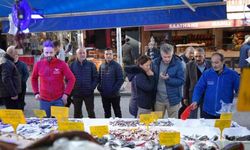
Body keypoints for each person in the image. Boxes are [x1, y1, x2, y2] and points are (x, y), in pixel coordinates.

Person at [31, 40, 76, 117]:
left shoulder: (62, 64)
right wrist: (36, 92)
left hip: (59, 99)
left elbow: (72, 79)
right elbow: (33, 78)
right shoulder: (39, 64)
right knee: (45, 123)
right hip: (44, 100)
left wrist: (66, 94)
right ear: (43, 52)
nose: (49, 55)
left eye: (51, 52)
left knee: (60, 122)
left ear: (55, 52)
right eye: (46, 53)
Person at [190, 53, 240, 119]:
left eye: (216, 63)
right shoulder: (207, 73)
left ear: (223, 62)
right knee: (207, 129)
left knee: (224, 130)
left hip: (224, 112)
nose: (214, 65)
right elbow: (199, 88)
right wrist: (195, 100)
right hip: (207, 112)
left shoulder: (232, 74)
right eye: (212, 63)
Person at [152, 43, 185, 118]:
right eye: (165, 57)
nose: (167, 59)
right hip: (158, 99)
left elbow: (181, 81)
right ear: (161, 54)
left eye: (169, 56)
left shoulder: (178, 64)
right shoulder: (155, 62)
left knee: (173, 123)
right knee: (158, 123)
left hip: (173, 100)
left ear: (172, 53)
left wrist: (168, 79)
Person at [182, 48, 211, 118]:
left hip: (207, 95)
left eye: (200, 56)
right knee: (192, 116)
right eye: (196, 56)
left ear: (204, 56)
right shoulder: (189, 65)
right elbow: (186, 82)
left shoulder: (211, 65)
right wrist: (185, 97)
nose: (197, 58)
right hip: (193, 95)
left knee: (204, 117)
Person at [70, 48, 98, 118]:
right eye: (80, 53)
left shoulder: (91, 65)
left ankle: (92, 127)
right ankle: (78, 128)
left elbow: (96, 77)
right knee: (77, 113)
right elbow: (68, 79)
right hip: (76, 93)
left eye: (83, 53)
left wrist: (92, 87)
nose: (82, 54)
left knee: (91, 112)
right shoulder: (72, 65)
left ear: (86, 54)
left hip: (88, 93)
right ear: (77, 54)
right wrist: (73, 88)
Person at [98, 48, 124, 118]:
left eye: (110, 54)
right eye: (107, 54)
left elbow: (120, 79)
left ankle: (119, 128)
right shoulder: (102, 66)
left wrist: (114, 90)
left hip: (114, 95)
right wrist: (99, 87)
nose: (108, 56)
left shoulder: (117, 66)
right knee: (107, 113)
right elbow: (99, 78)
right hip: (104, 95)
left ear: (113, 55)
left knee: (117, 112)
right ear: (104, 55)